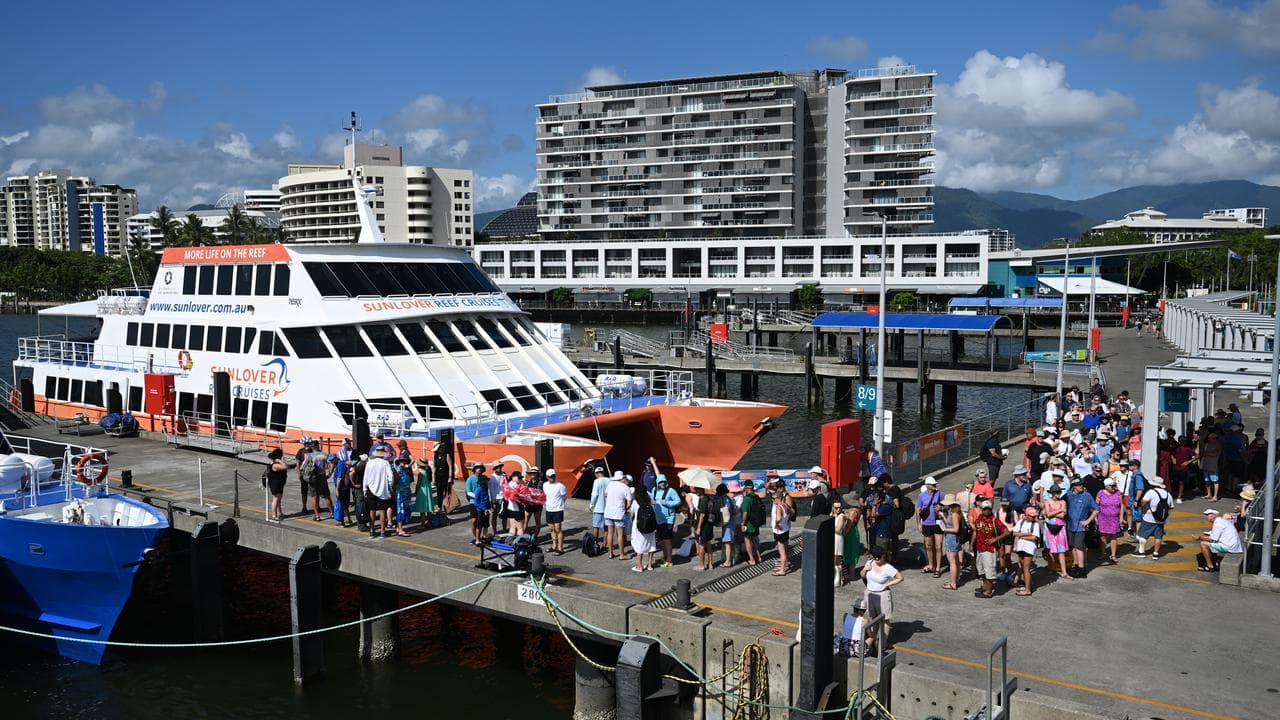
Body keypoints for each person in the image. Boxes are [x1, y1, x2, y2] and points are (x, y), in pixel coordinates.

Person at [859, 547, 902, 649]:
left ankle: (883, 643)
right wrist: (865, 569)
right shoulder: (870, 562)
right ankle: (873, 641)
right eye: (875, 557)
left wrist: (888, 583)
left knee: (885, 620)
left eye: (879, 557)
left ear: (883, 556)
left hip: (882, 595)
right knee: (873, 618)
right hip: (870, 593)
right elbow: (862, 575)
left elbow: (900, 578)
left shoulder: (888, 568)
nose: (876, 559)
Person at [971, 500, 1008, 598]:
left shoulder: (994, 520)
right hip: (979, 548)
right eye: (985, 509)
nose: (986, 511)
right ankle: (985, 586)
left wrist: (995, 539)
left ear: (991, 509)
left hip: (989, 549)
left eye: (988, 509)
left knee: (989, 570)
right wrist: (971, 544)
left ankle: (988, 591)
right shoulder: (979, 518)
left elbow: (1006, 532)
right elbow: (976, 531)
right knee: (981, 569)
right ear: (982, 509)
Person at [1065, 478, 1099, 576]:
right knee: (1073, 546)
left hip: (1080, 526)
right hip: (1070, 525)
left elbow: (1096, 509)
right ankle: (1076, 565)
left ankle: (1082, 568)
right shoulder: (1068, 495)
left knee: (1079, 547)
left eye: (1082, 484)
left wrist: (1088, 520)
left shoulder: (1087, 495)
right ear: (1074, 486)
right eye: (1079, 485)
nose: (1081, 486)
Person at [1135, 475, 1171, 558]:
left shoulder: (1151, 492)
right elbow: (1171, 506)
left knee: (1142, 535)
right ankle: (1155, 553)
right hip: (1161, 519)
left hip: (1149, 517)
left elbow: (1143, 501)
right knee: (1158, 536)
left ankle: (1141, 552)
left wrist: (1144, 510)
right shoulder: (1168, 494)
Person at [1011, 507, 1043, 596]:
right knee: (1021, 566)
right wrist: (1026, 534)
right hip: (1020, 547)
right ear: (1027, 515)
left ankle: (1027, 589)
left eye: (1034, 516)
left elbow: (1034, 537)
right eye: (1032, 516)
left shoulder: (1035, 524)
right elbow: (1014, 533)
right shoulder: (1021, 522)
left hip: (1029, 548)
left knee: (1026, 569)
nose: (1033, 518)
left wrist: (1021, 536)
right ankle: (1026, 585)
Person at [363, 449, 395, 540]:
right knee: (382, 511)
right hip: (383, 490)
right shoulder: (385, 463)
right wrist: (390, 486)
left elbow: (366, 477)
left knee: (372, 510)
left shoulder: (369, 463)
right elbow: (391, 477)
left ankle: (372, 530)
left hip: (371, 489)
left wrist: (365, 489)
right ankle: (382, 531)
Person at [1041, 485, 1071, 579]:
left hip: (1060, 527)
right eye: (1057, 492)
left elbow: (1062, 515)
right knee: (1050, 549)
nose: (1059, 494)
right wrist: (1059, 510)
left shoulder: (1063, 501)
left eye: (1059, 492)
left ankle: (1064, 571)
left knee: (1061, 550)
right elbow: (1048, 514)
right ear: (1052, 493)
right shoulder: (1048, 502)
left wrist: (1054, 513)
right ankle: (1052, 567)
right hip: (1050, 527)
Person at [917, 477, 944, 577]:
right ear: (927, 485)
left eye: (935, 484)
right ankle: (931, 565)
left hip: (938, 523)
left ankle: (938, 568)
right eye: (933, 485)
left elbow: (946, 506)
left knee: (938, 546)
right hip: (926, 523)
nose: (935, 486)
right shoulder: (921, 496)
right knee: (928, 546)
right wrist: (919, 524)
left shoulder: (940, 494)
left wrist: (941, 508)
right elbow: (918, 511)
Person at [653, 475, 682, 567]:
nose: (662, 483)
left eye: (664, 482)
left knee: (667, 539)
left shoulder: (671, 491)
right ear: (657, 483)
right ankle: (665, 557)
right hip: (658, 518)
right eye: (660, 482)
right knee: (661, 539)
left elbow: (678, 501)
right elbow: (652, 499)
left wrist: (666, 502)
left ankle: (669, 560)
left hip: (668, 519)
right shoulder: (654, 490)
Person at [936, 494, 963, 590]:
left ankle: (953, 583)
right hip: (955, 538)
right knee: (955, 561)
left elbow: (955, 529)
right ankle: (955, 580)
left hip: (952, 538)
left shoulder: (954, 514)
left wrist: (945, 529)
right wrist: (943, 515)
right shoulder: (955, 511)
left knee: (952, 562)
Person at [604, 470, 632, 560]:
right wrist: (625, 509)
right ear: (622, 478)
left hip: (608, 512)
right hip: (619, 512)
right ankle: (621, 554)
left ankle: (610, 553)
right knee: (620, 534)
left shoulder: (610, 485)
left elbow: (605, 494)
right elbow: (629, 502)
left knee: (610, 533)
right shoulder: (625, 487)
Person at [1095, 478, 1124, 563]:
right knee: (1103, 536)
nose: (1114, 487)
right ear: (1107, 486)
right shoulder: (1100, 493)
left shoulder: (1118, 493)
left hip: (1114, 519)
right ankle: (1102, 553)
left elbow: (1121, 506)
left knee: (1113, 536)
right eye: (1112, 486)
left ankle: (1113, 555)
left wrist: (1121, 517)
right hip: (1103, 518)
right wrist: (1095, 518)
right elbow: (1096, 506)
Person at [630, 485, 658, 572]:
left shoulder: (636, 502)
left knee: (639, 545)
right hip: (650, 525)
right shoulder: (649, 500)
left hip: (639, 525)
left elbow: (632, 513)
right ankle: (650, 565)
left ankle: (639, 566)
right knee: (651, 544)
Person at [542, 469, 568, 555]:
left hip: (558, 510)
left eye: (553, 476)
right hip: (549, 509)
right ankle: (554, 546)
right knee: (551, 528)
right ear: (547, 477)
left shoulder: (560, 486)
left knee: (558, 529)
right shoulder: (545, 485)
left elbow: (564, 497)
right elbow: (545, 495)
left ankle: (560, 548)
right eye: (550, 476)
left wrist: (561, 505)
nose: (552, 478)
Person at [771, 483, 793, 576]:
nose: (772, 500)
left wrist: (776, 524)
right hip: (785, 529)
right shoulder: (785, 505)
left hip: (780, 531)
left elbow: (778, 518)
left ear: (777, 498)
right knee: (785, 549)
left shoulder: (778, 507)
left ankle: (782, 570)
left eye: (773, 498)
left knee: (782, 552)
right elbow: (790, 513)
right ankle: (783, 566)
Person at [694, 486, 719, 571]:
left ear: (701, 489)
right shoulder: (708, 497)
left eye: (697, 489)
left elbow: (702, 514)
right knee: (708, 543)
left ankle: (701, 565)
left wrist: (699, 527)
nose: (695, 490)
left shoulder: (703, 500)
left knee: (701, 545)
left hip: (704, 525)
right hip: (709, 524)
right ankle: (711, 564)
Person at [721, 482, 743, 568]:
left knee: (729, 542)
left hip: (732, 523)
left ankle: (729, 560)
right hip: (734, 522)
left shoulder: (732, 500)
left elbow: (733, 511)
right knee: (731, 542)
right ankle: (733, 558)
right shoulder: (732, 499)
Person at [465, 463, 489, 544]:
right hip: (473, 502)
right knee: (474, 521)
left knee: (483, 521)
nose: (479, 469)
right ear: (474, 469)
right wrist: (478, 496)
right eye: (477, 468)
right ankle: (475, 537)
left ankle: (482, 537)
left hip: (482, 504)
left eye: (480, 468)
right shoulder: (470, 479)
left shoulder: (484, 478)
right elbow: (468, 492)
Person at [265, 448, 288, 522]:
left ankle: (280, 513)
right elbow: (285, 467)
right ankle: (274, 515)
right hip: (275, 484)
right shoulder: (275, 465)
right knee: (275, 500)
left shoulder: (275, 464)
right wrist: (280, 461)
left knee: (279, 500)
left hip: (279, 483)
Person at [588, 466, 610, 541]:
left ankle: (595, 544)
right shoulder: (610, 480)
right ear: (603, 472)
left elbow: (594, 495)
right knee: (606, 528)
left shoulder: (596, 481)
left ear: (596, 473)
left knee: (596, 527)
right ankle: (605, 545)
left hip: (598, 508)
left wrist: (591, 505)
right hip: (608, 508)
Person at [393, 457, 413, 537]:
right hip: (400, 494)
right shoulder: (397, 471)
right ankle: (400, 529)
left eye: (404, 462)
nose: (403, 463)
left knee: (406, 510)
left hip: (407, 493)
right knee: (400, 511)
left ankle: (399, 527)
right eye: (402, 462)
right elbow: (394, 482)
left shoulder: (406, 471)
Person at [414, 458, 435, 530]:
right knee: (428, 508)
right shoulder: (428, 471)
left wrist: (416, 491)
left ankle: (423, 524)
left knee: (422, 509)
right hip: (428, 490)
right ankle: (429, 523)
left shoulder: (421, 473)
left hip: (422, 491)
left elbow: (418, 483)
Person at [525, 466, 545, 539]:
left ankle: (535, 537)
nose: (532, 474)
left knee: (537, 521)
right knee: (525, 520)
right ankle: (523, 536)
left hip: (537, 505)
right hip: (528, 505)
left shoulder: (541, 483)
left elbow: (543, 494)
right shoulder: (527, 483)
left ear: (537, 474)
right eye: (531, 473)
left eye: (534, 473)